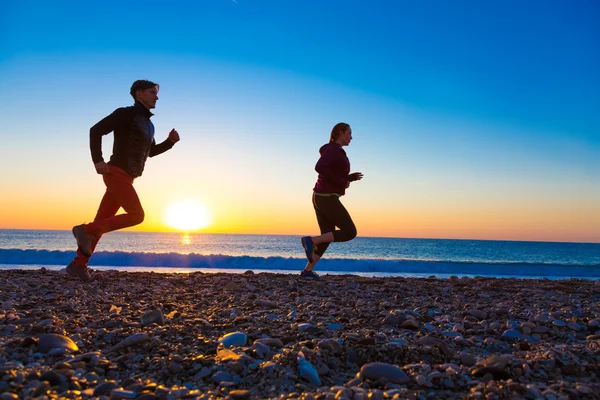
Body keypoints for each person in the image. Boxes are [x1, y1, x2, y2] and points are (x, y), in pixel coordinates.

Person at [66, 79, 180, 281]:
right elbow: (96, 130)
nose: (157, 96)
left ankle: (78, 265)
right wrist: (98, 160)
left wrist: (170, 143)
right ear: (139, 94)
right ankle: (83, 230)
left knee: (103, 222)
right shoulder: (126, 113)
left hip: (128, 177)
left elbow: (150, 152)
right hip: (116, 172)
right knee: (136, 215)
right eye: (152, 92)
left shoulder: (148, 124)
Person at [300, 122, 363, 279]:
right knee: (350, 232)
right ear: (341, 132)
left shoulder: (333, 150)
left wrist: (349, 178)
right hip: (326, 197)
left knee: (327, 236)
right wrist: (342, 182)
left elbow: (330, 172)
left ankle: (307, 271)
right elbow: (320, 167)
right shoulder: (334, 149)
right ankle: (310, 240)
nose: (351, 137)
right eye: (349, 133)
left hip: (320, 196)